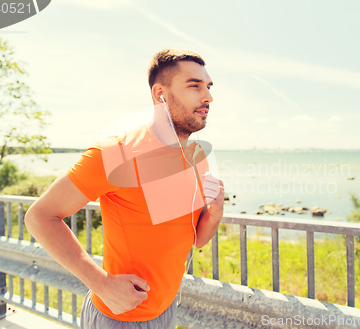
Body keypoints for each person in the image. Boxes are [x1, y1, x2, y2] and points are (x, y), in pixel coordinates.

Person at [25, 49, 225, 329]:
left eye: (208, 86)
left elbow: (195, 239)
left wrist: (214, 213)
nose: (208, 97)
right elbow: (40, 216)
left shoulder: (195, 156)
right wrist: (101, 283)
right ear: (161, 95)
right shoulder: (117, 151)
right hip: (119, 319)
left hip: (167, 310)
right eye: (194, 86)